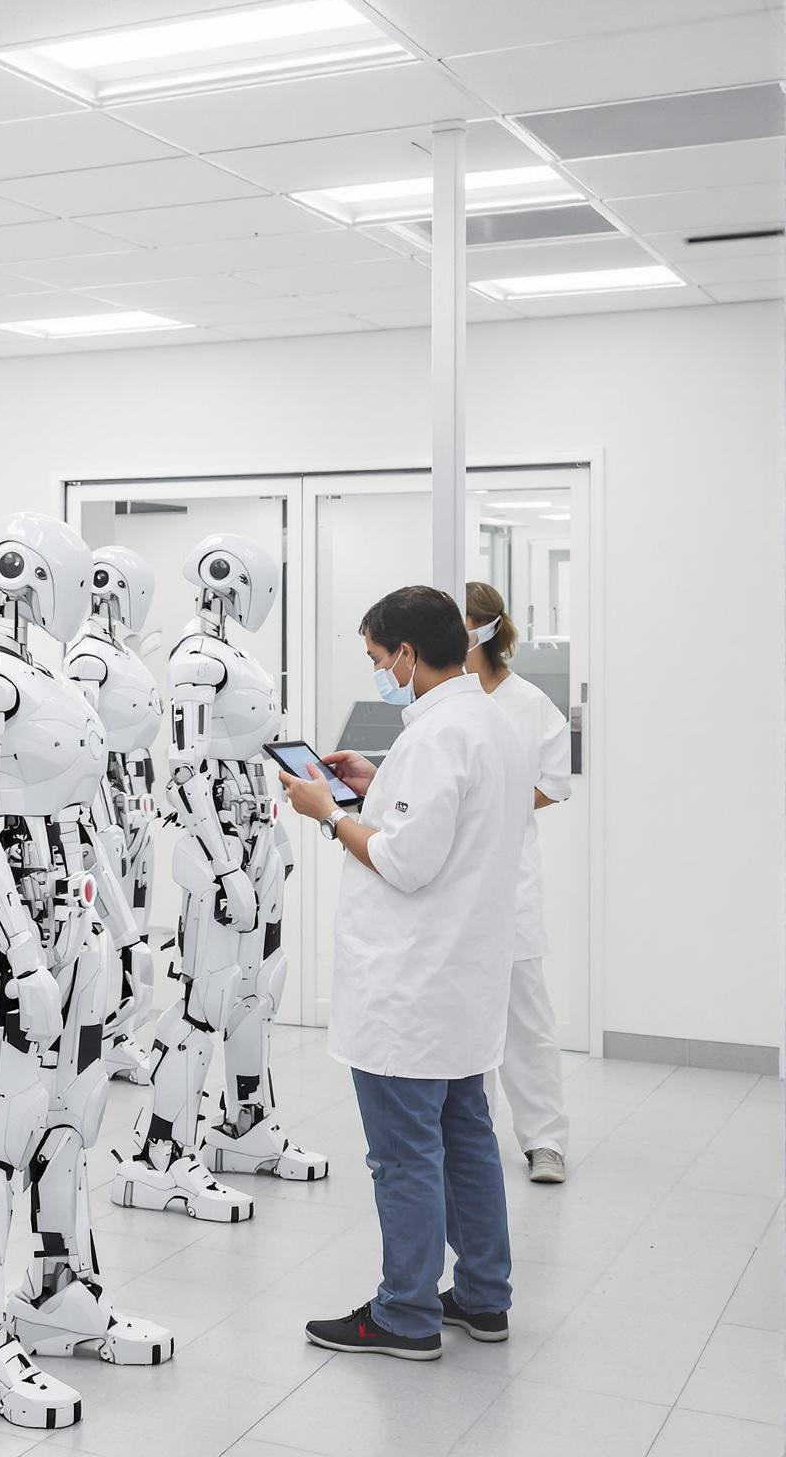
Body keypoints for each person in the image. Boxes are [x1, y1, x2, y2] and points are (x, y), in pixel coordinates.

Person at [279, 584, 533, 1361]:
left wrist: (328, 812)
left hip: (410, 989)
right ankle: (485, 1298)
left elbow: (404, 860)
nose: (378, 672)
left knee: (405, 1157)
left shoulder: (435, 740)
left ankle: (405, 1314)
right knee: (467, 1138)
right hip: (462, 983)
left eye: (377, 658)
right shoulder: (489, 721)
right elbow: (435, 821)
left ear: (409, 655)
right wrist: (372, 784)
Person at [465, 581, 573, 1183]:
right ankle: (472, 1136)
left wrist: (495, 805)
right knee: (465, 1017)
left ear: (481, 629)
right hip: (456, 886)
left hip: (509, 885)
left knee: (525, 1017)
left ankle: (545, 1141)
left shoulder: (529, 703)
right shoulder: (448, 698)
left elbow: (553, 782)